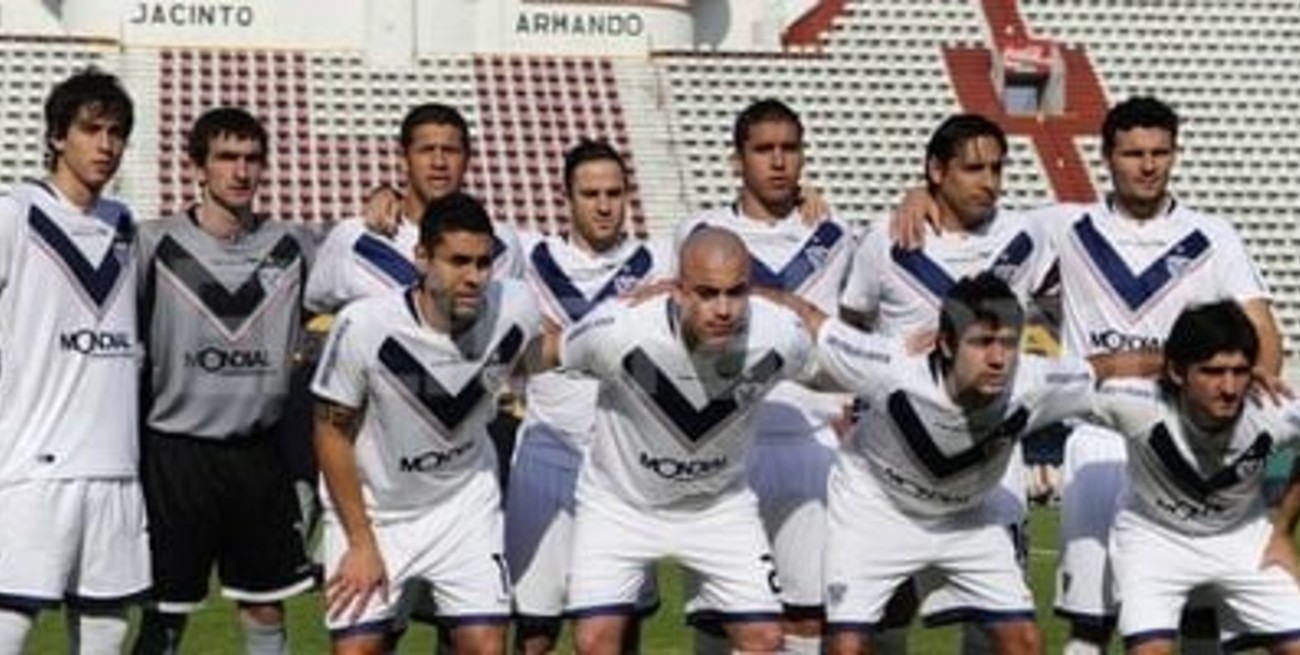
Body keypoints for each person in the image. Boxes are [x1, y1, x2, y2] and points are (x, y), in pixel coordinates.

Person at [892, 96, 1283, 653]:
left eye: (1160, 152)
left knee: (1195, 614)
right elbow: (972, 219)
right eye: (1133, 153)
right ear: (1107, 157)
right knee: (1090, 621)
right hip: (1099, 439)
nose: (1147, 165)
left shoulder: (1212, 236)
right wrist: (919, 195)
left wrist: (1250, 402)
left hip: (1180, 438)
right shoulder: (1064, 227)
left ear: (1174, 155)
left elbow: (1263, 331)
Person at [767, 272, 1156, 655]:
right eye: (982, 342)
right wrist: (736, 290)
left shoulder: (1033, 383)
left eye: (1008, 343)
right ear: (947, 344)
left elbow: (1106, 366)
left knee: (1023, 642)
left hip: (966, 519)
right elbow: (809, 317)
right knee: (848, 646)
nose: (998, 358)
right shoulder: (891, 366)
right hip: (873, 511)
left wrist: (1187, 360)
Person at [839, 113, 1057, 653]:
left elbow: (1064, 306)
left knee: (997, 623)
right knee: (888, 613)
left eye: (998, 168)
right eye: (973, 168)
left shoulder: (1025, 236)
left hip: (989, 459)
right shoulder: (887, 242)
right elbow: (852, 327)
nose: (990, 181)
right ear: (937, 170)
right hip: (900, 455)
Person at [562, 228, 813, 655]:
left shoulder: (780, 334)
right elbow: (549, 352)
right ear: (677, 291)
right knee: (595, 642)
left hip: (719, 507)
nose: (723, 309)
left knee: (765, 640)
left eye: (736, 293)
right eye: (707, 293)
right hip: (619, 505)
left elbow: (829, 367)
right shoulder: (617, 331)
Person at [311, 192, 538, 655]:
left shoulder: (515, 305)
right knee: (357, 650)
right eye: (457, 262)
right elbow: (330, 432)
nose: (474, 277)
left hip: (462, 504)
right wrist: (360, 541)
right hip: (376, 511)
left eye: (482, 262)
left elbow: (543, 351)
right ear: (421, 258)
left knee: (486, 646)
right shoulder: (365, 326)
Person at [131, 107, 317, 655]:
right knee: (165, 610)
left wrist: (385, 203)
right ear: (198, 167)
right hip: (175, 454)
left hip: (258, 454)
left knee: (265, 604)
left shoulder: (295, 245)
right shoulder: (153, 243)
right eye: (226, 158)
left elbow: (365, 270)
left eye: (252, 159)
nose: (241, 171)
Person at [674, 98, 853, 655]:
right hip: (726, 444)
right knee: (719, 617)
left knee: (806, 620)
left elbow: (865, 328)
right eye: (763, 150)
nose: (778, 162)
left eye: (790, 149)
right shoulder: (699, 234)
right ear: (737, 161)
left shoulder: (836, 236)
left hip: (810, 442)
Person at [503, 139, 674, 654]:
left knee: (619, 629)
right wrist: (388, 198)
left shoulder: (659, 258)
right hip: (545, 455)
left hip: (622, 467)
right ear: (567, 197)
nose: (604, 205)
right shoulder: (527, 254)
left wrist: (808, 201)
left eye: (614, 193)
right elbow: (441, 228)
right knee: (535, 631)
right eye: (590, 193)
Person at [0, 68, 150, 654]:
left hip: (114, 466)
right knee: (9, 624)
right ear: (58, 136)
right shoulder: (15, 212)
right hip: (32, 465)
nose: (106, 146)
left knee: (106, 632)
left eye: (116, 133)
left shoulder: (123, 224)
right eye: (91, 130)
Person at [1089, 301, 1300, 655]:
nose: (1230, 387)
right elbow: (1075, 372)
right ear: (1176, 371)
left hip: (1243, 538)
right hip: (1153, 538)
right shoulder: (1134, 403)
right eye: (1213, 371)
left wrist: (1281, 530)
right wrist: (1159, 359)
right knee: (1150, 650)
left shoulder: (1275, 412)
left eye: (1240, 370)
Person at [305, 102, 523, 315]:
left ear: (467, 160)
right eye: (426, 150)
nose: (439, 162)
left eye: (450, 150)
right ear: (405, 159)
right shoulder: (352, 238)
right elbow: (314, 319)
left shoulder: (501, 244)